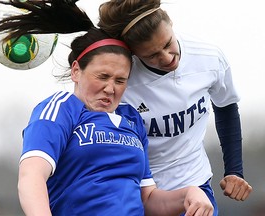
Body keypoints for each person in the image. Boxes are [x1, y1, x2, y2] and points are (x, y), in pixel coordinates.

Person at [0, 0, 214, 215]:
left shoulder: (132, 120)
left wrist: (189, 193)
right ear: (76, 71)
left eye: (120, 80)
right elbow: (31, 176)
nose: (110, 88)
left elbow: (148, 200)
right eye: (102, 76)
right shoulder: (61, 109)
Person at [98, 0, 253, 215]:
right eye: (151, 56)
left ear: (170, 22)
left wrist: (234, 170)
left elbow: (226, 105)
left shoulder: (208, 57)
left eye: (167, 43)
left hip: (196, 187)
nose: (167, 58)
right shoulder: (122, 79)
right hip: (137, 194)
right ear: (134, 54)